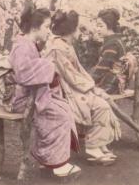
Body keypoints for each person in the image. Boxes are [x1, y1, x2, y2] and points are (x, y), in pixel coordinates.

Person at [8, 3, 81, 178]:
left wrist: (46, 67)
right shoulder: (22, 46)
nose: (49, 31)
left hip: (31, 96)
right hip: (21, 99)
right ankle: (57, 164)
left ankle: (50, 160)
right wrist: (48, 66)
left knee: (63, 108)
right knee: (59, 115)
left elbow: (33, 70)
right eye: (46, 27)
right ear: (35, 27)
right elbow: (24, 74)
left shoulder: (28, 43)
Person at [42, 9, 121, 165]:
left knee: (101, 103)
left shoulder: (66, 45)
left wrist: (92, 86)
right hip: (63, 90)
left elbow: (79, 71)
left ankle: (98, 144)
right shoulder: (57, 47)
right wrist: (91, 87)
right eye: (78, 28)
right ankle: (93, 147)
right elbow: (71, 76)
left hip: (74, 86)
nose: (79, 31)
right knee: (101, 105)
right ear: (71, 30)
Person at [91, 8, 137, 95]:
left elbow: (102, 69)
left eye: (100, 26)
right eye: (97, 26)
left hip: (111, 84)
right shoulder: (116, 40)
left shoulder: (112, 44)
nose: (97, 29)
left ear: (109, 26)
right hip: (113, 81)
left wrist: (87, 81)